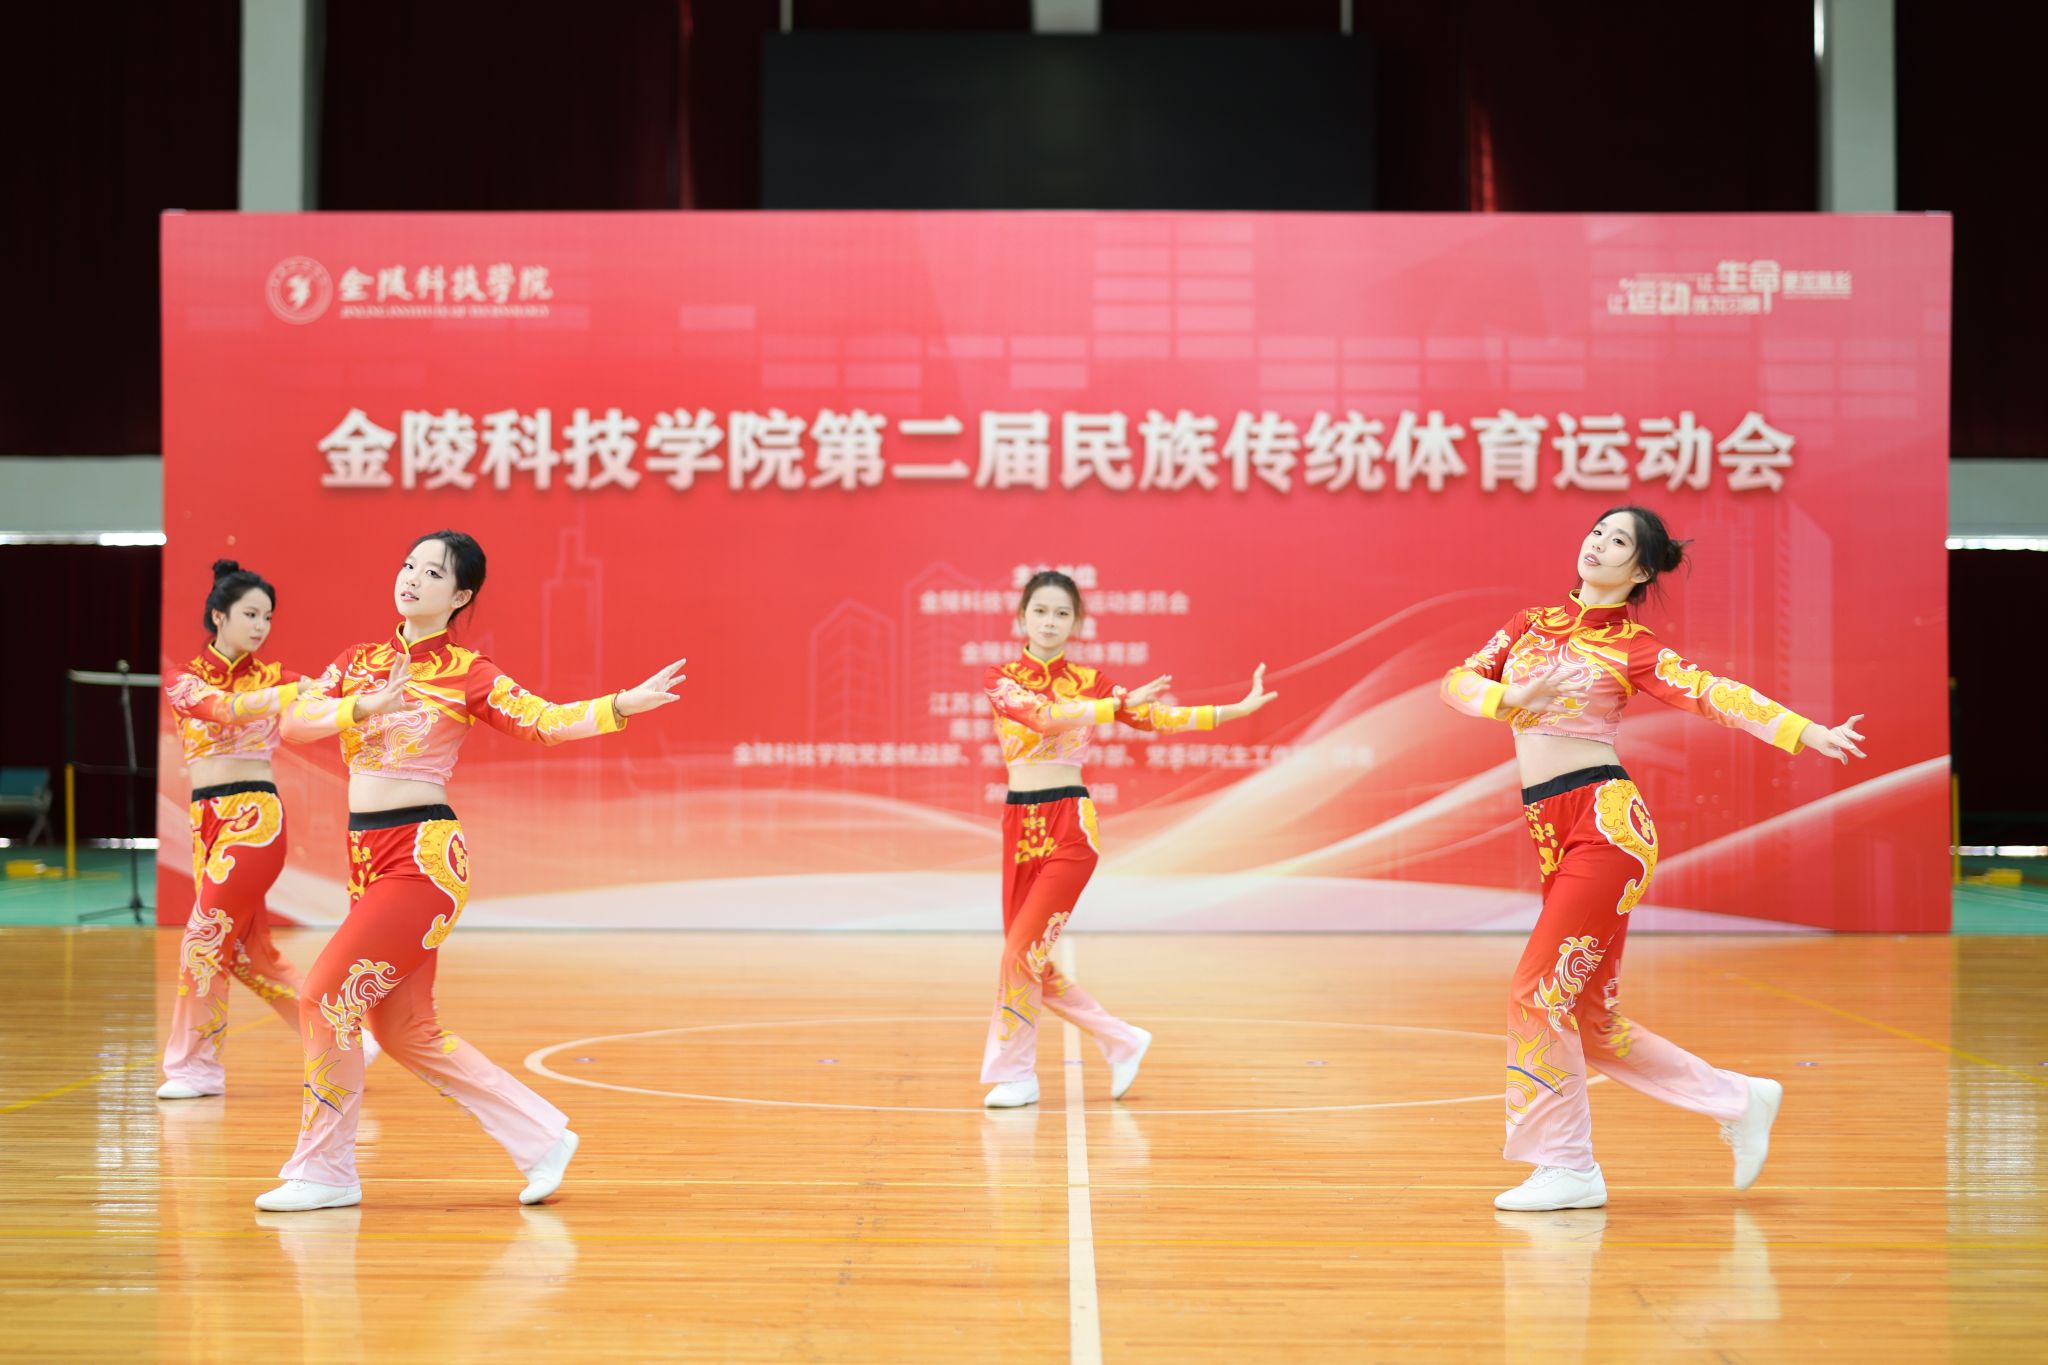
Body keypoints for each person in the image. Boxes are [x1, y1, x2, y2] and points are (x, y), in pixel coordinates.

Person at [1442, 506, 1868, 1211]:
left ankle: (1567, 1165)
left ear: (1640, 570)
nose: (1597, 544)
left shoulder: (1632, 647)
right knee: (1589, 1020)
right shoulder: (1529, 623)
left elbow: (1711, 693)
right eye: (1596, 532)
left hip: (1605, 827)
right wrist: (1509, 696)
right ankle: (1739, 1099)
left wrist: (1802, 731)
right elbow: (1456, 681)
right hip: (1552, 828)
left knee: (1537, 992)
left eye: (1618, 541)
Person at [253, 530, 686, 1212]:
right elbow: (296, 723)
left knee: (324, 997)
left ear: (461, 597)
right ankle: (542, 1138)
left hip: (422, 861)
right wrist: (363, 705)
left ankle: (326, 1169)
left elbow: (542, 721)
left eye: (433, 573)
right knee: (404, 1030)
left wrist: (619, 706)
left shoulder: (467, 671)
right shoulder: (358, 663)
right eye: (408, 565)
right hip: (366, 859)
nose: (411, 578)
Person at [979, 569, 1278, 1108]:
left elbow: (1154, 717)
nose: (1050, 622)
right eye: (1040, 611)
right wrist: (1112, 706)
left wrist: (1234, 710)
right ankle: (1121, 1040)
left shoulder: (1091, 681)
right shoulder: (1001, 678)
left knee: (1020, 953)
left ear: (1077, 622)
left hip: (1070, 826)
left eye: (1062, 613)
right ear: (1021, 616)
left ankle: (1017, 1074)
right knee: (1026, 958)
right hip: (1018, 825)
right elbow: (1040, 717)